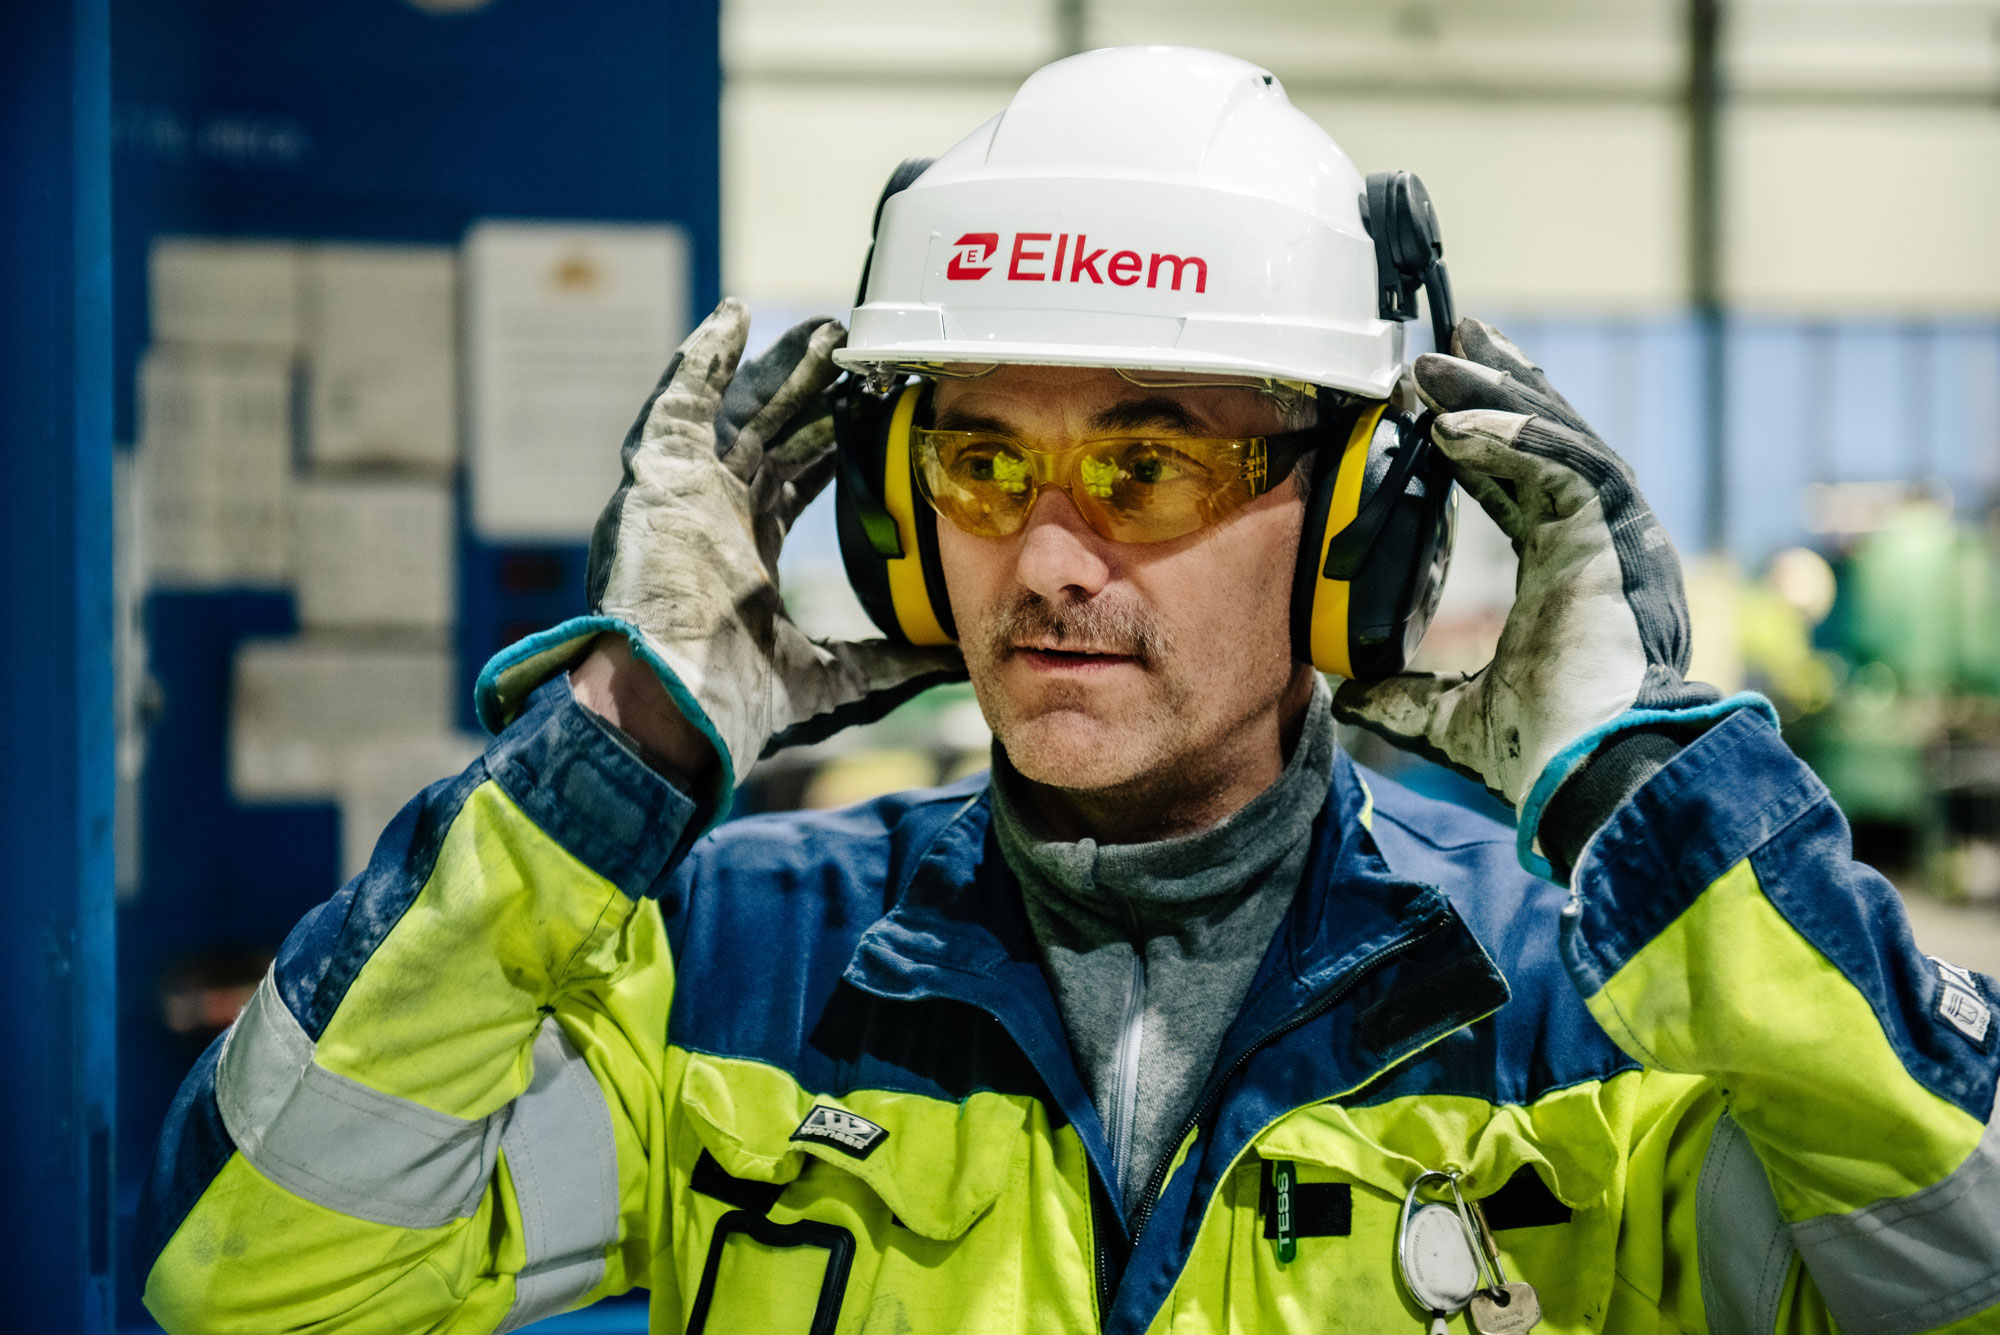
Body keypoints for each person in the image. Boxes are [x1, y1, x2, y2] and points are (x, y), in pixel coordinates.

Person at [137, 47, 1998, 1335]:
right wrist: (604, 757)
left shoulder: (1586, 1011)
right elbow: (254, 1276)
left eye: (1146, 465)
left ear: (1358, 525)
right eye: (978, 463)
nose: (1042, 562)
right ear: (893, 518)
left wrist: (1653, 815)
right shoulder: (731, 966)